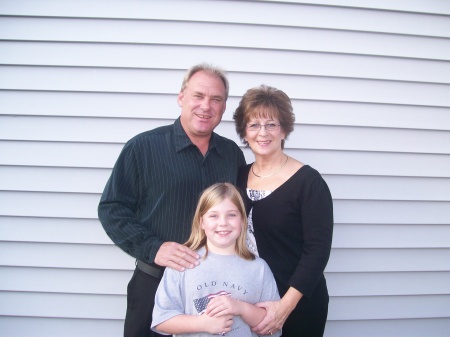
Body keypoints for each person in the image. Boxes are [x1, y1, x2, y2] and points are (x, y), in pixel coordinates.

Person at [98, 63, 246, 337]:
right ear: (181, 98)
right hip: (155, 284)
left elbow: (241, 213)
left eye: (216, 99)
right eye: (198, 96)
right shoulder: (143, 148)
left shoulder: (231, 155)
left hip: (217, 290)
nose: (206, 106)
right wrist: (153, 248)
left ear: (224, 107)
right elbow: (112, 209)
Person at [233, 85, 334, 337]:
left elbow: (317, 251)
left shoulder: (308, 182)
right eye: (254, 125)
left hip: (297, 306)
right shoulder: (239, 176)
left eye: (271, 124)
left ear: (284, 129)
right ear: (244, 132)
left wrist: (284, 307)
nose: (262, 133)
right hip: (250, 302)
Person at [151, 183, 281, 337]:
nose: (223, 223)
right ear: (201, 222)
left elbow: (273, 329)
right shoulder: (182, 262)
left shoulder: (259, 268)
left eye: (231, 215)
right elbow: (162, 321)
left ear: (242, 221)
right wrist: (204, 324)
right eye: (213, 215)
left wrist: (241, 308)